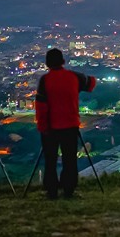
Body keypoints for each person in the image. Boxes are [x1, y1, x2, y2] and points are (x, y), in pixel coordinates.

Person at [35, 48, 97, 199]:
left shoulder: (45, 80)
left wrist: (42, 126)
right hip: (70, 125)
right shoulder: (74, 77)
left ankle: (52, 191)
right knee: (70, 161)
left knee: (50, 161)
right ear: (63, 61)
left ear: (47, 63)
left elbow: (41, 106)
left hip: (51, 127)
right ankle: (68, 191)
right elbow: (91, 84)